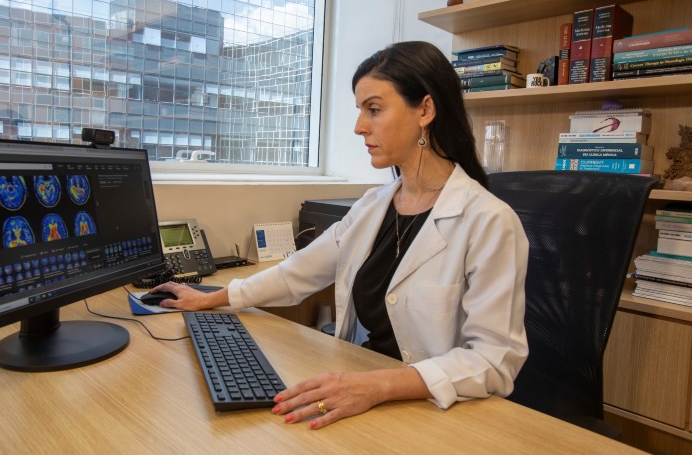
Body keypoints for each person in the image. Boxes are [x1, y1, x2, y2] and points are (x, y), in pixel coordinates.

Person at [151, 41, 529, 429]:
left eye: (374, 109)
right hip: (366, 389)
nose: (359, 126)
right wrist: (214, 297)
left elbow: (495, 359)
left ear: (426, 110)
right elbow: (297, 272)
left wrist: (378, 385)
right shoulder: (372, 207)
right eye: (360, 110)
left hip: (437, 411)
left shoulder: (489, 221)